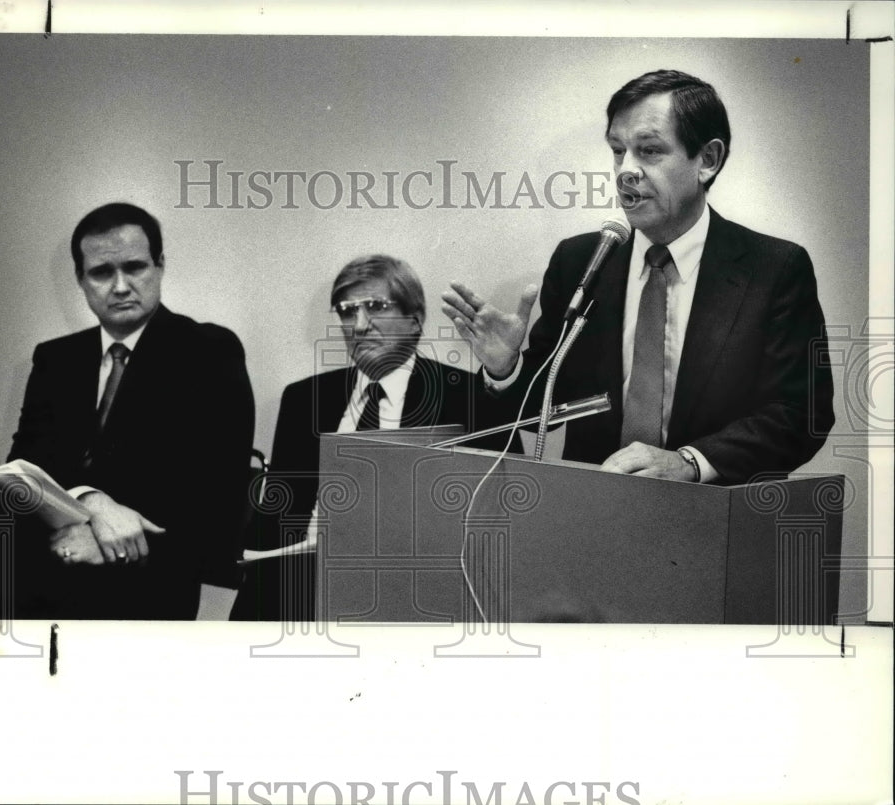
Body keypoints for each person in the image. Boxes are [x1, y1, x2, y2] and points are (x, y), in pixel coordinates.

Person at [442, 69, 834, 485]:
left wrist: (689, 462)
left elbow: (801, 412)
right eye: (617, 151)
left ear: (707, 160)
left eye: (648, 151)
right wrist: (506, 370)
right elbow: (544, 409)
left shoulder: (773, 268)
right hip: (594, 515)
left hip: (716, 521)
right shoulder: (582, 260)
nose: (625, 170)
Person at [1, 202, 254, 619]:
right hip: (58, 546)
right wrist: (92, 504)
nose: (120, 286)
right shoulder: (56, 358)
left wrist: (106, 544)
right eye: (102, 272)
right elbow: (28, 463)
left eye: (134, 267)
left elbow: (216, 486)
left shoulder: (209, 351)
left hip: (152, 563)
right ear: (81, 280)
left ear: (159, 267)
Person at [232, 254, 507, 620]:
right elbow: (277, 518)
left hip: (412, 598)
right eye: (347, 311)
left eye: (375, 307)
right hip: (302, 593)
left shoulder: (467, 396)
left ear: (415, 318)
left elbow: (496, 521)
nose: (359, 325)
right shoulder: (303, 399)